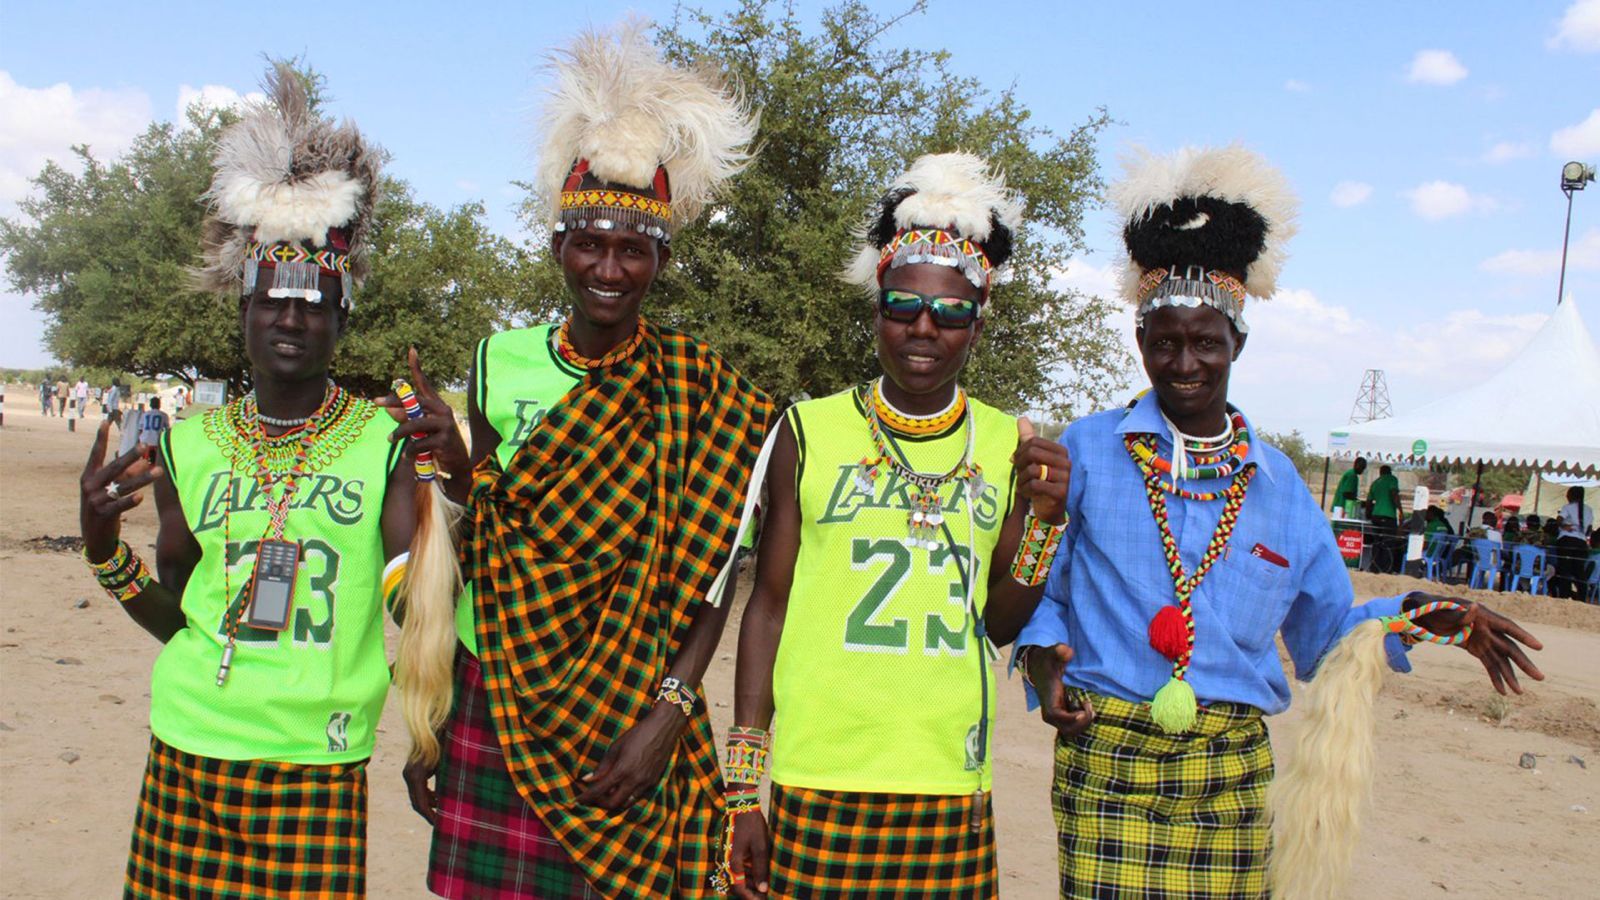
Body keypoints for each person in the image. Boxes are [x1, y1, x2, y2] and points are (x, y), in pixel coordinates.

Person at [1011, 146, 1542, 898]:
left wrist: (1426, 616)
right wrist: (1040, 656)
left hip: (1230, 775)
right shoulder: (1087, 450)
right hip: (1107, 764)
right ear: (1141, 345)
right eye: (1164, 343)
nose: (1184, 363)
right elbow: (1047, 593)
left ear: (1238, 346)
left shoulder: (1282, 489)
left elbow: (1327, 638)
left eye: (1206, 343)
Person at [390, 22, 771, 898]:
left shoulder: (700, 389)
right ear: (558, 247)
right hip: (497, 684)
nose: (610, 266)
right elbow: (479, 531)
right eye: (590, 244)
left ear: (660, 259)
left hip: (630, 699)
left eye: (632, 248)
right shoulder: (499, 359)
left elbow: (712, 575)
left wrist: (670, 716)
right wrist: (429, 716)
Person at [79, 64, 411, 898]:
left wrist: (466, 485)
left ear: (342, 316)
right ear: (245, 310)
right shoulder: (189, 447)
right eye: (273, 298)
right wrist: (100, 552)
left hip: (319, 762)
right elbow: (183, 616)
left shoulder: (385, 444)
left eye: (313, 301)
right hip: (189, 747)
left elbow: (417, 603)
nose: (291, 317)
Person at [719, 154, 1071, 898]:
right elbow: (769, 608)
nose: (923, 328)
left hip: (948, 777)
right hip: (819, 775)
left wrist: (1045, 522)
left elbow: (1000, 622)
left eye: (949, 312)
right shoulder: (805, 430)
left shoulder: (1008, 443)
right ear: (876, 307)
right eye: (902, 306)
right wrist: (743, 789)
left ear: (977, 323)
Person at [1552, 486, 1595, 599]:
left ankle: (1564, 596)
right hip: (1581, 543)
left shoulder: (1568, 507)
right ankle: (1582, 597)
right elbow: (1589, 529)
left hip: (1566, 540)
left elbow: (1559, 520)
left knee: (1564, 570)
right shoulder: (1589, 510)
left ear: (1571, 496)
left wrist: (1563, 526)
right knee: (1579, 571)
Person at [135, 397, 170, 461]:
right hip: (157, 442)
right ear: (159, 405)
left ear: (150, 405)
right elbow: (167, 430)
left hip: (145, 442)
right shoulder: (164, 415)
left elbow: (140, 430)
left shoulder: (145, 414)